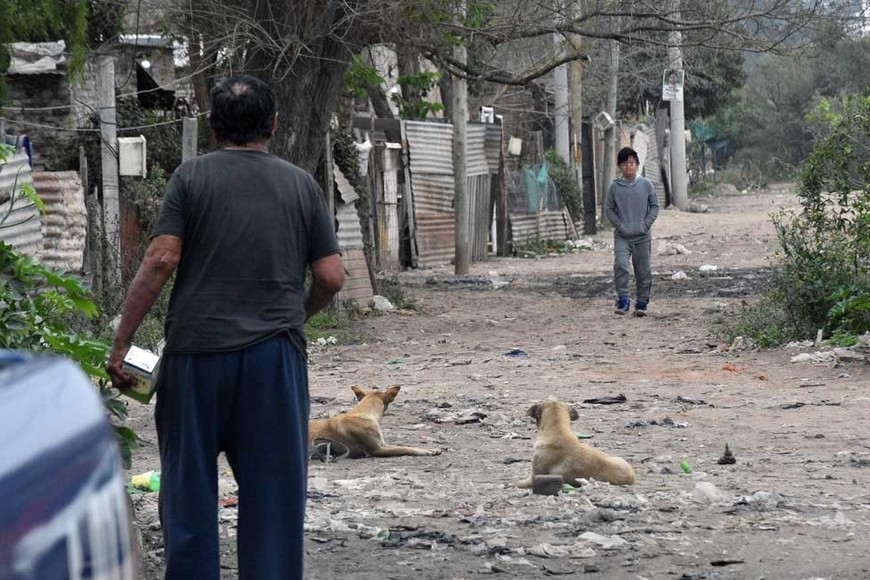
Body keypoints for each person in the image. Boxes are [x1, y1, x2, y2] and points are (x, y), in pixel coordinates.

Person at [106, 74, 344, 580]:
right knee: (274, 499)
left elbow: (160, 260)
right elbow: (331, 276)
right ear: (274, 124)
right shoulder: (302, 185)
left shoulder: (190, 179)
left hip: (196, 357)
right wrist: (293, 317)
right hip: (273, 363)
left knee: (189, 491)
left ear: (214, 126)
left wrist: (123, 339)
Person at [604, 146, 659, 316]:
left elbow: (655, 206)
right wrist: (619, 225)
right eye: (625, 164)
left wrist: (646, 224)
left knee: (643, 270)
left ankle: (642, 302)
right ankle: (623, 300)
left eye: (632, 163)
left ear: (637, 165)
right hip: (622, 236)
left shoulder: (646, 184)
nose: (629, 167)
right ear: (620, 166)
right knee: (621, 266)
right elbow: (609, 209)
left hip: (642, 236)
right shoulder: (615, 187)